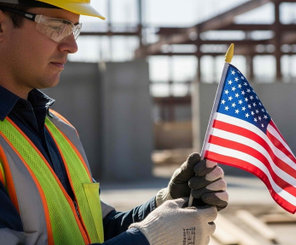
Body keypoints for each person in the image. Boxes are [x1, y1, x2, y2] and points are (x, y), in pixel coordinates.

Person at [0, 0, 228, 244]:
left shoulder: (58, 129)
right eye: (57, 26)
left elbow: (95, 229)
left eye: (74, 29)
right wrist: (147, 240)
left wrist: (163, 203)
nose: (72, 46)